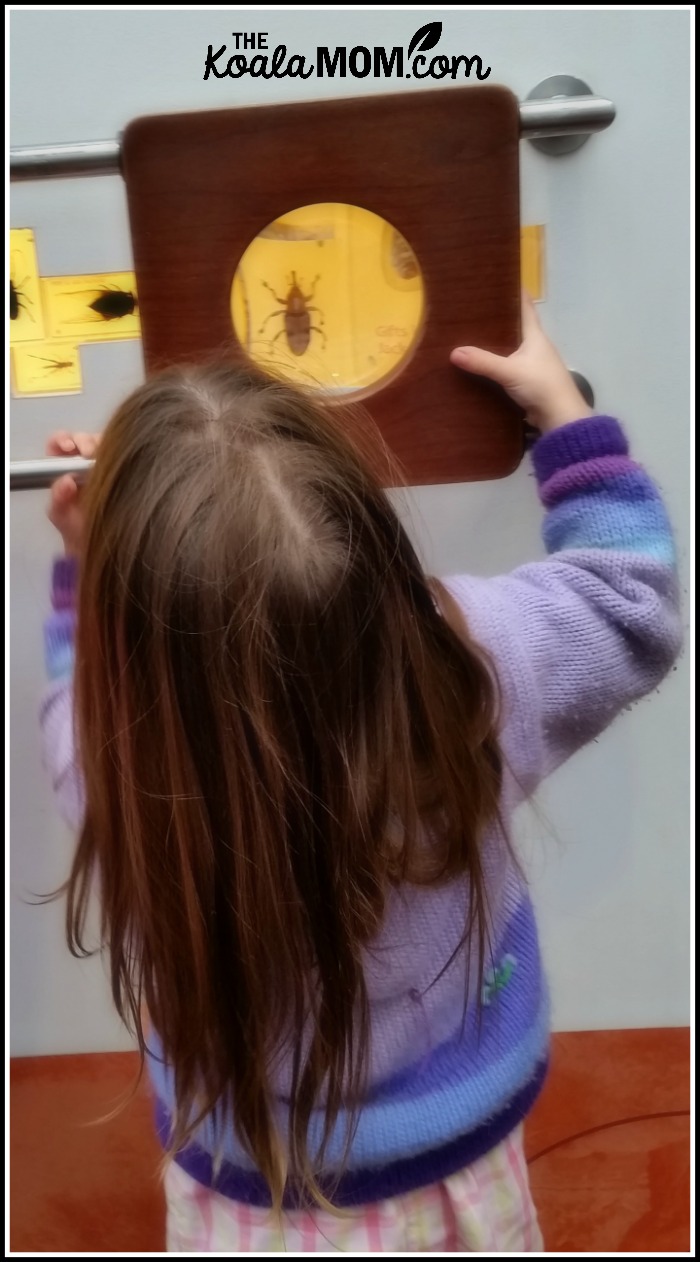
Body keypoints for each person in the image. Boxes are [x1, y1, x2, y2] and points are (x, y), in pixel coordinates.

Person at [40, 296, 681, 1252]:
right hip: (461, 1176)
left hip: (247, 1203)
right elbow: (630, 597)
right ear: (368, 531)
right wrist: (564, 419)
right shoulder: (475, 674)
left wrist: (87, 578)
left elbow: (75, 689)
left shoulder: (121, 758)